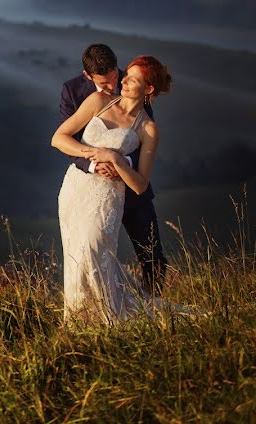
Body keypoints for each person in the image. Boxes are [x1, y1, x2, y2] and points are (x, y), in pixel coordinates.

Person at [52, 53, 183, 324]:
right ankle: (78, 320)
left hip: (109, 196)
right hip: (76, 188)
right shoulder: (98, 101)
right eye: (127, 75)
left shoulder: (148, 128)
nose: (123, 80)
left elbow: (141, 184)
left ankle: (109, 317)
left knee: (92, 248)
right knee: (76, 254)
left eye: (133, 79)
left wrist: (117, 161)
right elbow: (59, 138)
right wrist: (94, 154)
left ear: (148, 89)